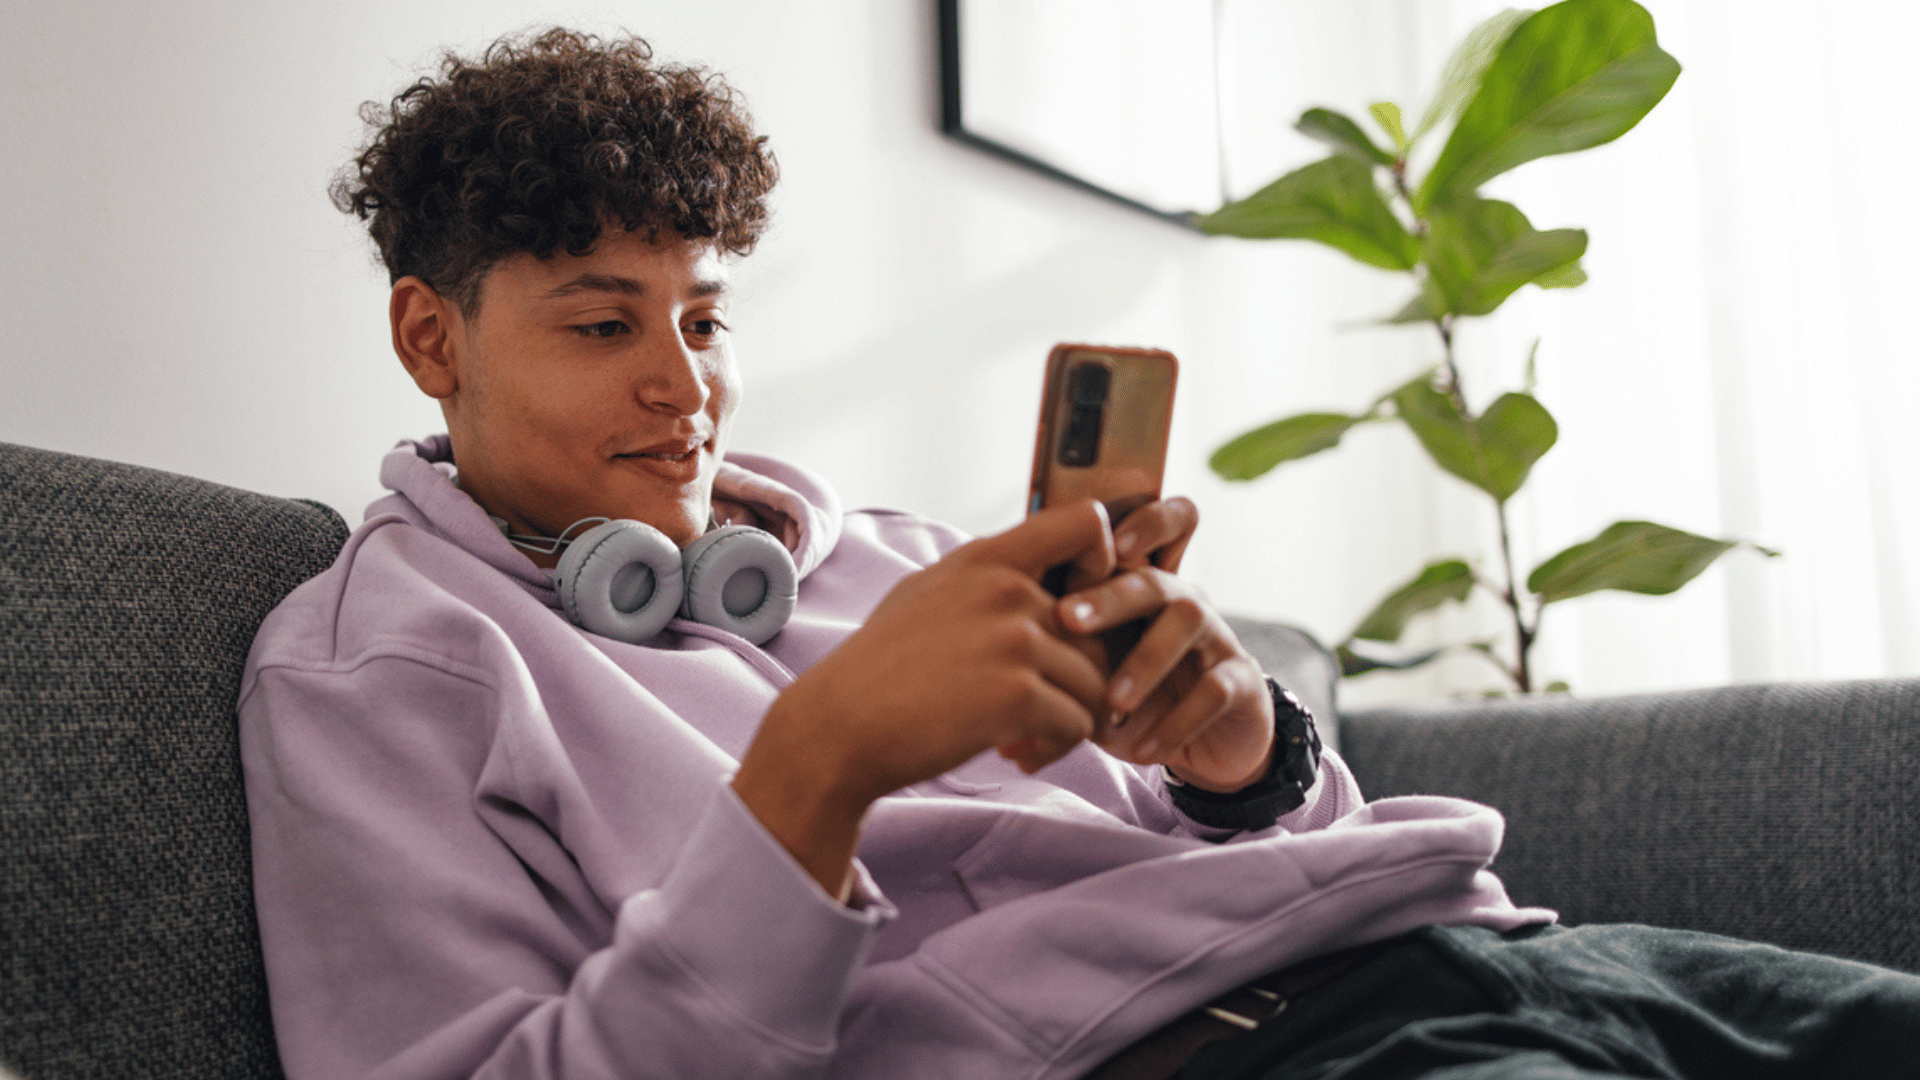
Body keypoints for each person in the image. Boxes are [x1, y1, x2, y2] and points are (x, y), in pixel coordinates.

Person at [239, 27, 1920, 1080]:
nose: (684, 389)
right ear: (429, 338)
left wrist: (1236, 754)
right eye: (605, 324)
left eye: (702, 317)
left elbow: (1288, 838)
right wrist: (812, 777)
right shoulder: (373, 671)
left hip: (1518, 956)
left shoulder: (894, 556)